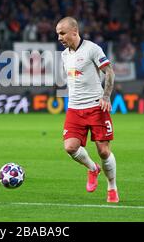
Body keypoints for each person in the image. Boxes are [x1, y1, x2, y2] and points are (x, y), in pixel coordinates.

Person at [56, 17, 119, 203]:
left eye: (62, 33)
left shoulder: (92, 49)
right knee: (70, 147)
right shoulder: (64, 55)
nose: (59, 37)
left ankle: (112, 187)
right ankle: (93, 169)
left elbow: (109, 71)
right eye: (57, 34)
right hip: (74, 108)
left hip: (96, 107)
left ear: (74, 32)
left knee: (104, 152)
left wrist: (106, 96)